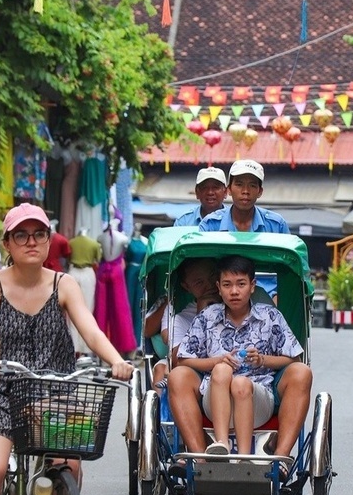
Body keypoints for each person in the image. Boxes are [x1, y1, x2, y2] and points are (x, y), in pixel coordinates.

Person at [0, 203, 133, 495]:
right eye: (21, 235)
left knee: (70, 467)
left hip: (52, 393)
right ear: (7, 243)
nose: (31, 242)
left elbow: (90, 329)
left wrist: (115, 360)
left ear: (49, 240)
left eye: (39, 234)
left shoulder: (64, 284)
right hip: (4, 395)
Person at [170, 255, 311, 470]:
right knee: (185, 374)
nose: (234, 291)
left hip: (259, 399)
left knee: (299, 372)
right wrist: (216, 361)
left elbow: (294, 357)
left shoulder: (270, 316)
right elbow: (183, 359)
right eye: (227, 285)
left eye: (241, 284)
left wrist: (263, 359)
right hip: (214, 397)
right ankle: (201, 455)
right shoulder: (207, 317)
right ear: (218, 287)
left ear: (252, 286)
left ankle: (281, 458)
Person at [199, 159, 289, 298]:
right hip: (221, 298)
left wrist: (279, 298)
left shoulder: (276, 225)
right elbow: (202, 270)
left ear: (260, 191)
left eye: (252, 185)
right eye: (239, 184)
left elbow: (290, 270)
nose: (245, 191)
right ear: (229, 189)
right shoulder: (210, 225)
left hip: (269, 298)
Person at [95, 219, 137, 354]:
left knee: (101, 308)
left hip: (104, 270)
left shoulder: (101, 237)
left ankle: (101, 343)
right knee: (120, 308)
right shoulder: (123, 238)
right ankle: (120, 345)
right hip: (116, 271)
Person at [66, 227, 101, 354]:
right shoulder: (94, 244)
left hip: (73, 271)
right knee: (87, 308)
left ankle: (74, 346)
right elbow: (98, 259)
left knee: (71, 310)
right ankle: (86, 347)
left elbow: (68, 257)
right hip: (87, 273)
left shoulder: (71, 242)